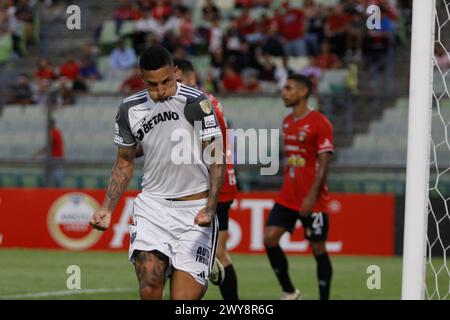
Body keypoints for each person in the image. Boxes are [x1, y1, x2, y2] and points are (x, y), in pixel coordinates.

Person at [89, 45, 225, 300]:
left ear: (175, 72)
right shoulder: (129, 109)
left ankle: (189, 265)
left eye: (166, 81)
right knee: (150, 286)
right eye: (153, 85)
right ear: (142, 79)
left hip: (193, 212)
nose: (161, 91)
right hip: (153, 208)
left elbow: (217, 159)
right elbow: (124, 162)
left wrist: (210, 207)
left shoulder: (197, 103)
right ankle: (172, 263)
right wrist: (107, 208)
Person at [172, 58, 239, 300]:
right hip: (213, 183)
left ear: (190, 78)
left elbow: (212, 151)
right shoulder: (202, 101)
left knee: (214, 255)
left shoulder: (201, 104)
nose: (174, 87)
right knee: (211, 254)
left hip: (214, 185)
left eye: (177, 81)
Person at [264, 74, 334, 300]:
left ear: (303, 92)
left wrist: (311, 197)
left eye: (289, 88)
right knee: (270, 238)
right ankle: (289, 291)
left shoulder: (320, 122)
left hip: (313, 199)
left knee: (318, 249)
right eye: (284, 88)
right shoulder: (287, 121)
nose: (284, 92)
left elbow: (324, 163)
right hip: (288, 196)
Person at [32, 118, 65, 187]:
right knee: (50, 174)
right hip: (55, 158)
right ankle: (49, 189)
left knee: (56, 176)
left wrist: (37, 154)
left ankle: (52, 189)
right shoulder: (56, 132)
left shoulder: (54, 132)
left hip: (55, 158)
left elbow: (49, 146)